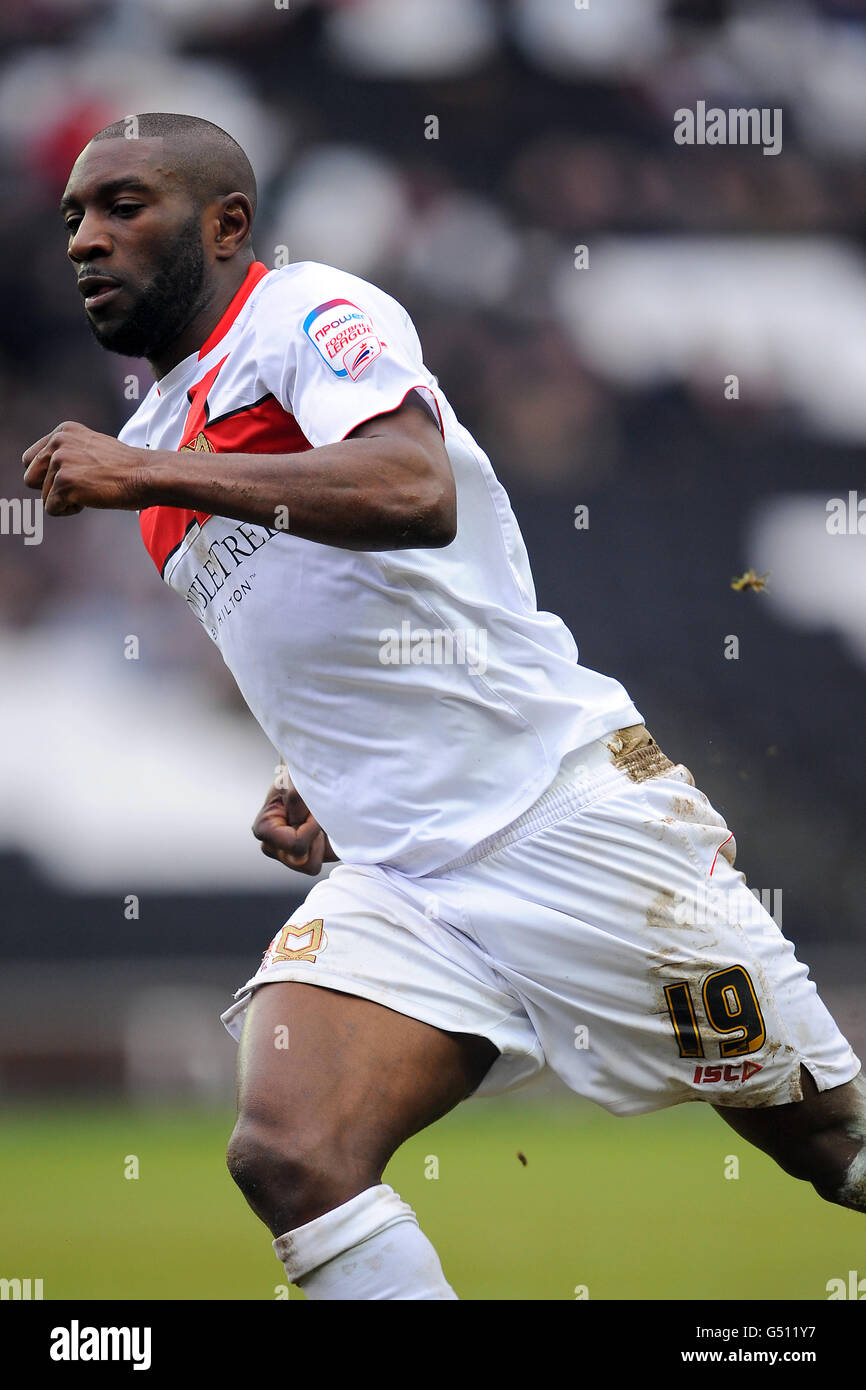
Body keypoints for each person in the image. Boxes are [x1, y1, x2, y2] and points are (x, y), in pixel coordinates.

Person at [24, 112, 865, 1301]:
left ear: (225, 226)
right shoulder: (155, 439)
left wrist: (143, 474)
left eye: (123, 206)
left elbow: (414, 490)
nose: (86, 239)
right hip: (404, 879)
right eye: (72, 217)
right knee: (289, 1150)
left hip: (563, 820)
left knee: (836, 1152)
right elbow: (327, 622)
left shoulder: (302, 315)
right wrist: (314, 769)